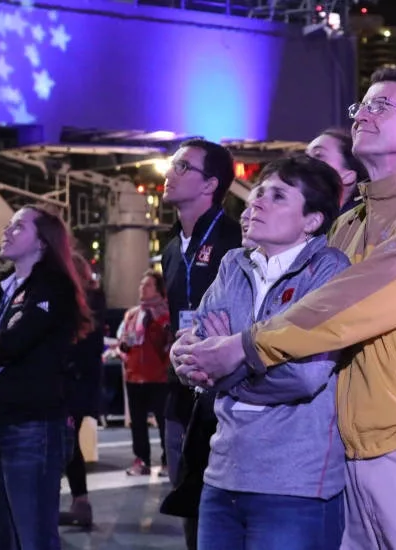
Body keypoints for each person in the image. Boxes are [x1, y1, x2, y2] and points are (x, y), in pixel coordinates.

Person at [172, 67, 396, 550]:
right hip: (346, 451)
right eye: (361, 104)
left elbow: (357, 300)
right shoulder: (350, 223)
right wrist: (196, 348)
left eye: (382, 105)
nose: (363, 112)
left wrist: (244, 347)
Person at [177, 154, 350, 548]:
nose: (256, 201)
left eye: (277, 196)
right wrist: (211, 359)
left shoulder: (329, 270)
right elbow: (194, 356)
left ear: (311, 220)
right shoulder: (233, 264)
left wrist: (226, 364)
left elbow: (304, 376)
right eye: (258, 192)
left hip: (294, 485)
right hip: (222, 473)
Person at [0, 205, 93, 549]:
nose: (7, 231)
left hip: (31, 425)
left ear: (43, 243)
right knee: (2, 536)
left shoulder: (53, 288)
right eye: (9, 225)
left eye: (19, 226)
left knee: (34, 538)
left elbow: (10, 343)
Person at [158, 138, 243, 549]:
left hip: (229, 393)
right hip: (182, 388)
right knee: (188, 501)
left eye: (182, 167)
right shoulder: (171, 248)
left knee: (225, 510)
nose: (169, 174)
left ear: (211, 184)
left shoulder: (238, 238)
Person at [59, 252, 107, 528]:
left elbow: (83, 345)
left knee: (67, 443)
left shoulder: (86, 302)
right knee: (68, 443)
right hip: (79, 382)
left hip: (75, 384)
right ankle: (80, 501)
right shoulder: (91, 300)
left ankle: (79, 501)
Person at [117, 270, 172, 476]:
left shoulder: (166, 313)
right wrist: (124, 344)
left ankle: (168, 461)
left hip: (158, 376)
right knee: (137, 423)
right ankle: (141, 460)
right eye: (141, 285)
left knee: (164, 421)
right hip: (134, 375)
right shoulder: (132, 314)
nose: (142, 288)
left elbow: (166, 342)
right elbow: (123, 339)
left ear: (158, 289)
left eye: (147, 285)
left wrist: (157, 322)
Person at [305, 127, 369, 214]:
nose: (304, 162)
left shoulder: (366, 222)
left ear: (348, 176)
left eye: (318, 155)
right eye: (306, 156)